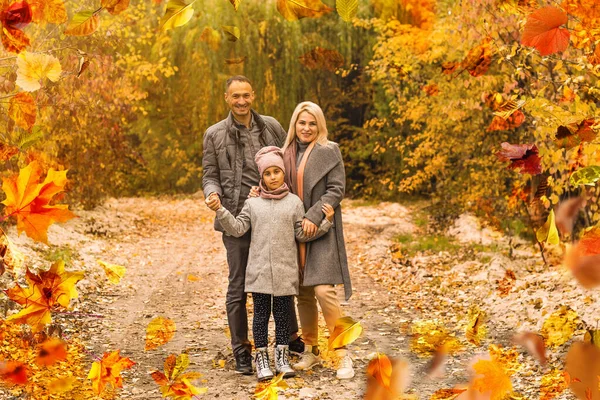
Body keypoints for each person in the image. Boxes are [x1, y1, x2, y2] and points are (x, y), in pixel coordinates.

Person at [206, 146, 335, 382]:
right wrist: (221, 210)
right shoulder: (253, 204)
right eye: (268, 173)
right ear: (261, 177)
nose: (273, 177)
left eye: (277, 171)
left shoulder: (294, 203)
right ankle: (262, 359)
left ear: (283, 173)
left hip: (286, 271)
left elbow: (301, 234)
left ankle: (282, 358)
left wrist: (325, 223)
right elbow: (237, 228)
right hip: (259, 272)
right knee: (261, 316)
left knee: (284, 315)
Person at [202, 76, 303, 375]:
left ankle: (291, 338)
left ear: (253, 95)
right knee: (238, 285)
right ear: (227, 98)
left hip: (275, 215)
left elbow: (291, 163)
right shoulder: (215, 134)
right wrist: (212, 193)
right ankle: (242, 350)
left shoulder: (271, 126)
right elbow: (209, 173)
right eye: (236, 96)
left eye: (246, 95)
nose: (242, 101)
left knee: (282, 275)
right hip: (237, 217)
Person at [281, 101, 355, 379]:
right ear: (295, 125)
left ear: (319, 125)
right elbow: (274, 183)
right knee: (303, 292)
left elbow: (337, 188)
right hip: (294, 230)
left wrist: (312, 216)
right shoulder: (285, 152)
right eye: (302, 123)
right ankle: (311, 351)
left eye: (312, 123)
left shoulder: (329, 150)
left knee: (324, 291)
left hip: (321, 227)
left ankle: (343, 353)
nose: (307, 128)